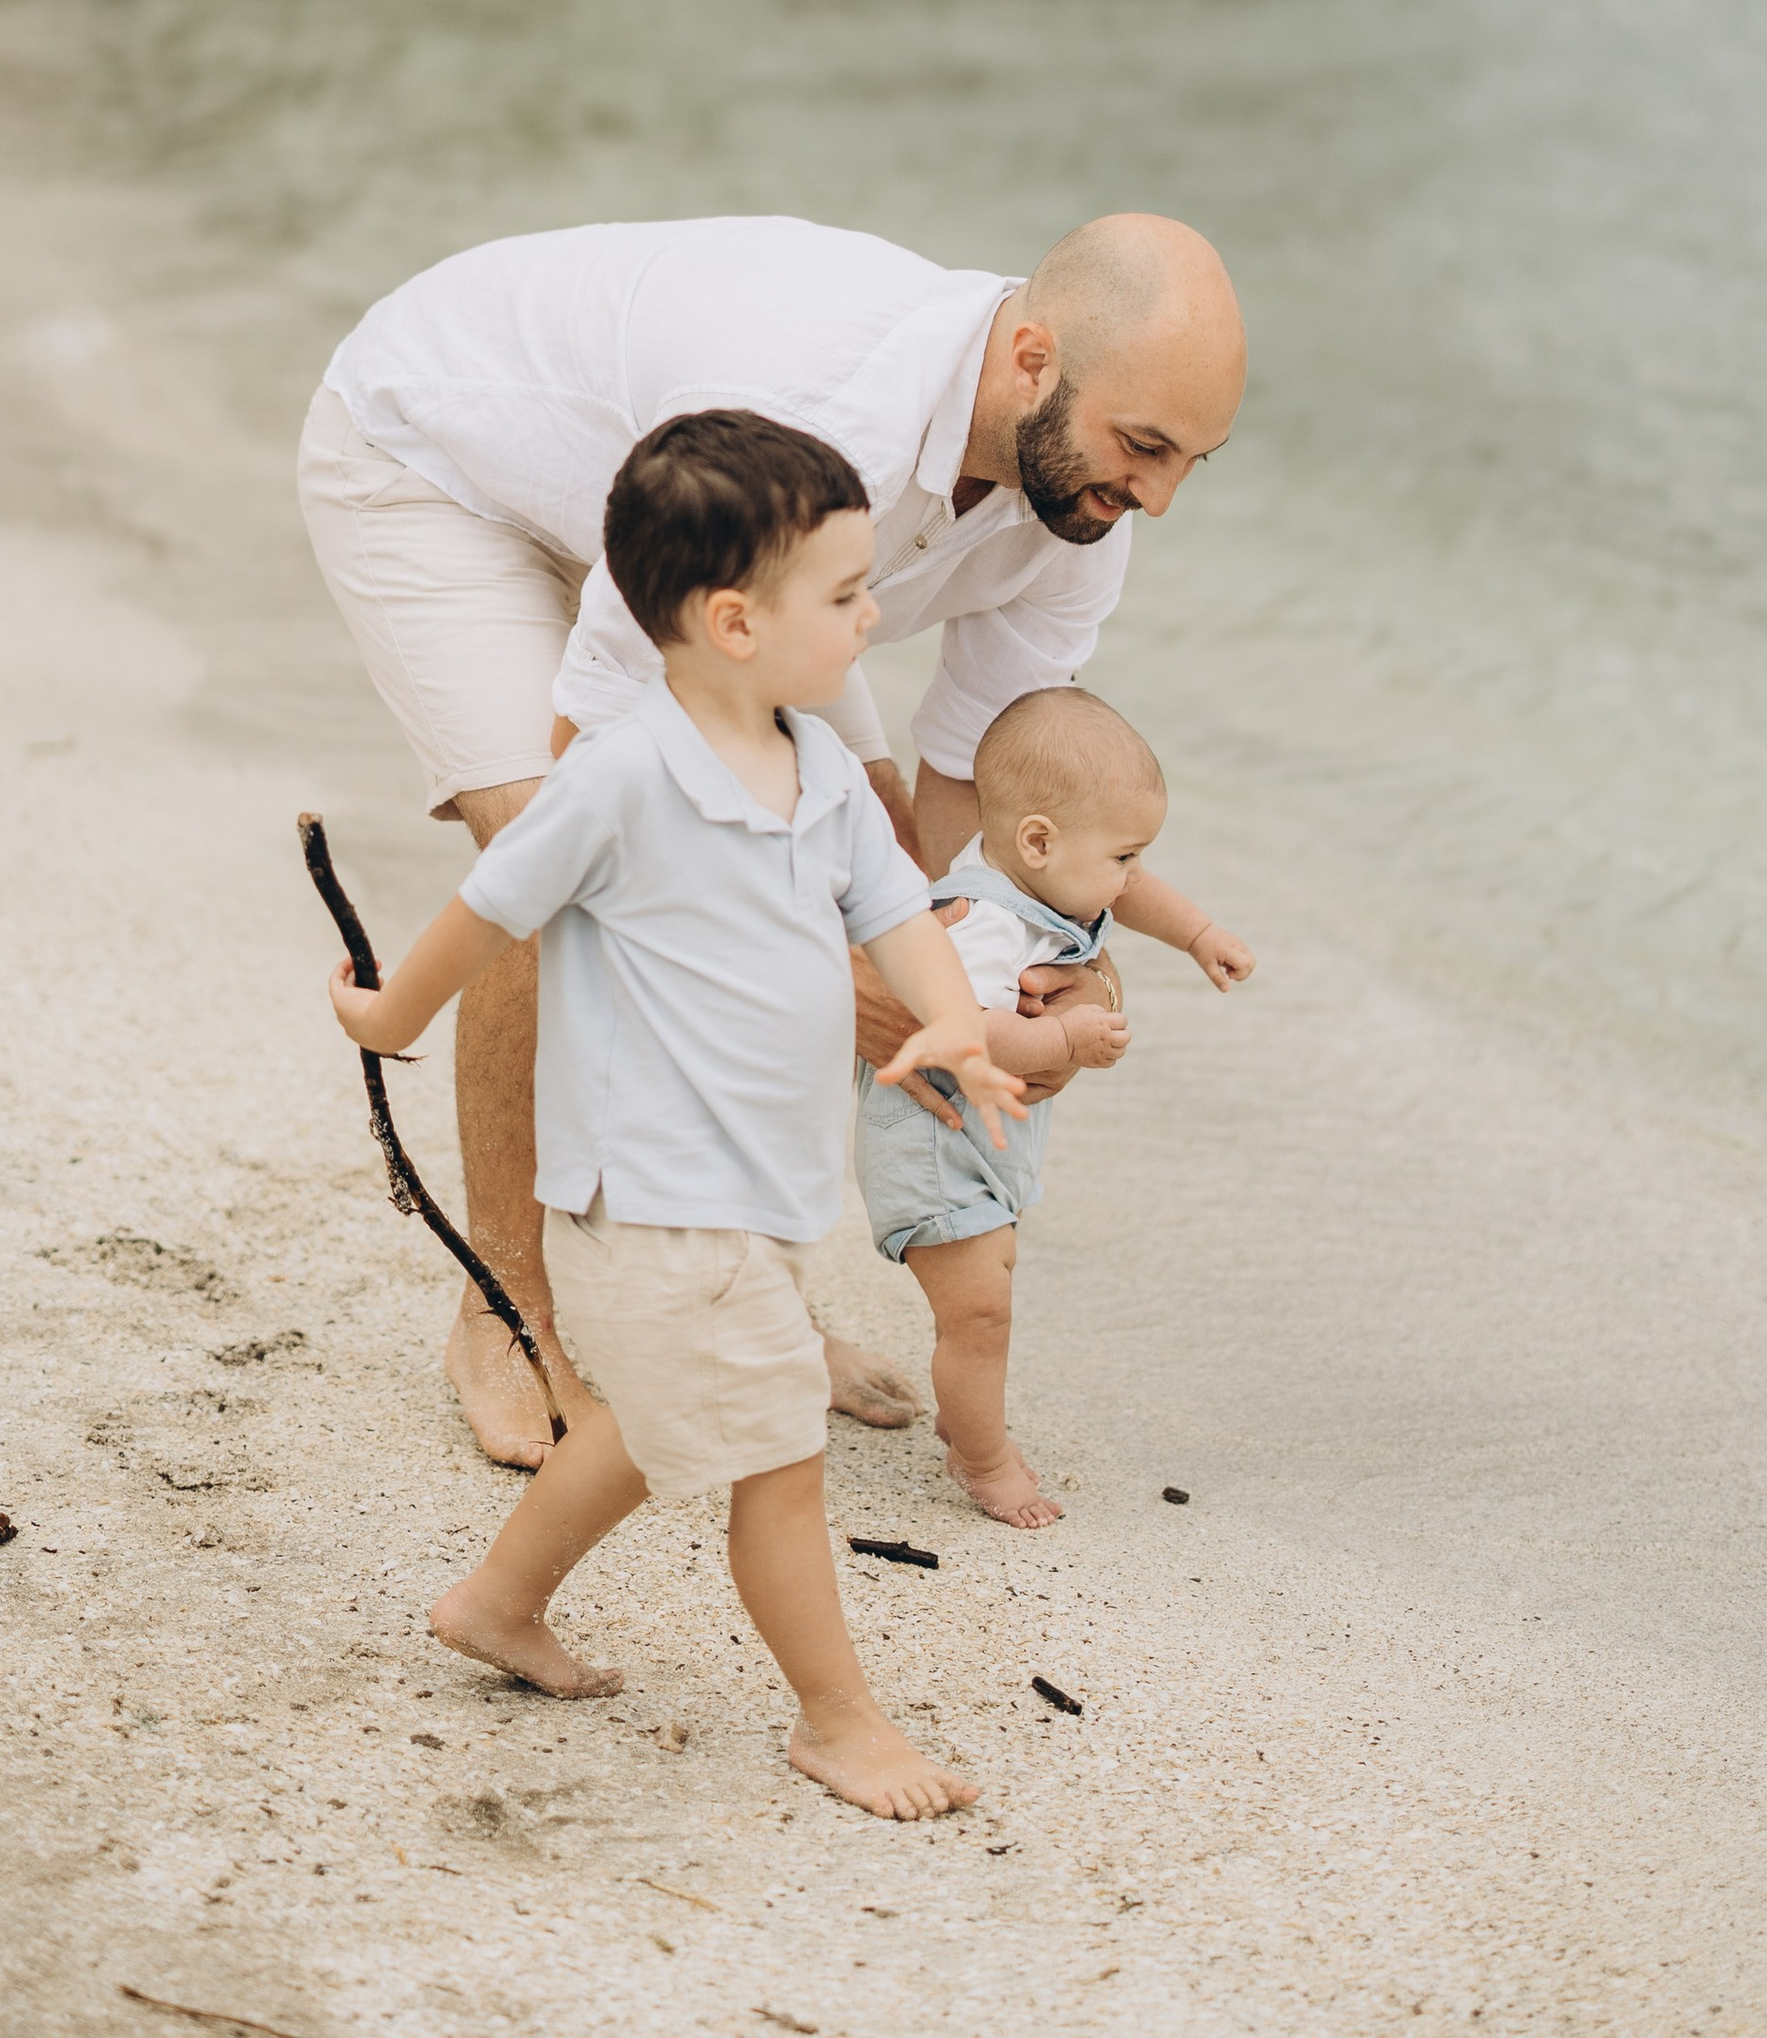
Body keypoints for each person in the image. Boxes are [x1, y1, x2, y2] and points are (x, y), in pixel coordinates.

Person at [298, 210, 1248, 1466]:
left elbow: (982, 806)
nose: (1157, 500)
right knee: (569, 868)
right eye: (1143, 447)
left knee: (865, 876)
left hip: (750, 565)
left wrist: (1013, 968)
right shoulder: (823, 409)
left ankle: (739, 1299)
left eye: (1192, 462)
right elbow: (596, 771)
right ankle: (507, 1307)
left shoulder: (1078, 509)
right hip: (439, 466)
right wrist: (832, 968)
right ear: (1031, 360)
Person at [325, 409, 1023, 1819]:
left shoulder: (817, 768)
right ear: (732, 621)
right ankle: (840, 1723)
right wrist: (392, 1018)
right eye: (844, 594)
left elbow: (895, 912)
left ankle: (496, 1603)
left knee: (646, 1423)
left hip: (756, 1190)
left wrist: (952, 1016)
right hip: (650, 1199)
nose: (872, 615)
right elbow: (490, 910)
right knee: (780, 1463)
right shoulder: (622, 775)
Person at [853, 683, 1253, 1527]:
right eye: (1124, 856)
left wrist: (1198, 935)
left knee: (986, 1296)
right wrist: (1065, 1041)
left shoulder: (1036, 873)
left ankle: (967, 1416)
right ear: (1039, 840)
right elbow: (960, 1023)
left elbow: (1131, 895)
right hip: (931, 1143)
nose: (1132, 876)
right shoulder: (981, 920)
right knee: (980, 1313)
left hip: (975, 1143)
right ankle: (983, 1460)